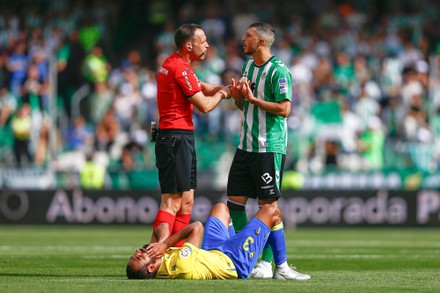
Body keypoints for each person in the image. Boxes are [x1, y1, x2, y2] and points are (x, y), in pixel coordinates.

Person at [226, 22, 304, 278]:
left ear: (261, 42)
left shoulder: (279, 72)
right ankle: (244, 255)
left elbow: (284, 109)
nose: (242, 39)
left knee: (268, 206)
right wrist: (239, 97)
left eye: (247, 35)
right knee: (234, 202)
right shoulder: (247, 66)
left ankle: (272, 264)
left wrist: (253, 99)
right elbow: (245, 107)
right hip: (245, 145)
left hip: (268, 146)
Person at [152, 23, 231, 247]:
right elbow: (204, 106)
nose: (207, 44)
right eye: (203, 40)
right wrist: (225, 94)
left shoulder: (175, 64)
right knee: (171, 202)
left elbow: (202, 86)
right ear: (189, 45)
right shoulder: (180, 68)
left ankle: (175, 254)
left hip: (181, 137)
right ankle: (158, 255)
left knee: (186, 202)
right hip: (174, 137)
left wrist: (228, 88)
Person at [126, 202, 311, 280]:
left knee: (220, 208)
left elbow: (161, 230)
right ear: (150, 268)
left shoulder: (158, 263)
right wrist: (165, 244)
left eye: (136, 254)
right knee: (272, 211)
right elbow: (196, 227)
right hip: (233, 262)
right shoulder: (181, 265)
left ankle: (239, 239)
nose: (139, 251)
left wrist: (162, 239)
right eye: (140, 257)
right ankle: (281, 268)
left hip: (212, 252)